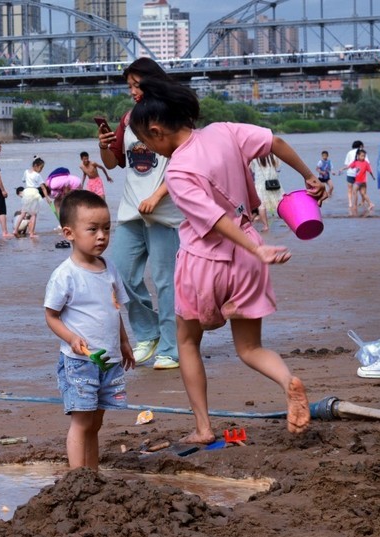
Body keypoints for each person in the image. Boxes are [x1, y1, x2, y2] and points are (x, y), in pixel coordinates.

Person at [127, 75, 321, 443]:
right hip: (250, 252)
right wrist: (309, 177)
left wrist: (256, 250)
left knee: (187, 342)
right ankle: (287, 380)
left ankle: (203, 428)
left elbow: (212, 219)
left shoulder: (179, 170)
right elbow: (274, 142)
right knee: (250, 348)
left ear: (157, 131)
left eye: (145, 142)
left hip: (206, 260)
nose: (148, 149)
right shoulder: (224, 132)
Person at [96, 56, 184, 371]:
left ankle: (172, 349)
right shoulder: (128, 118)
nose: (132, 90)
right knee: (119, 274)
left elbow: (185, 159)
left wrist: (159, 194)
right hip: (131, 212)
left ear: (152, 81)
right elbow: (113, 162)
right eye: (129, 85)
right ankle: (149, 335)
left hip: (165, 214)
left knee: (165, 282)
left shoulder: (174, 114)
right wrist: (104, 144)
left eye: (137, 84)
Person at [43, 190, 135, 469]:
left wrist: (124, 342)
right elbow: (51, 315)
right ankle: (76, 477)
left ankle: (91, 474)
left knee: (96, 421)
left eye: (107, 228)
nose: (102, 236)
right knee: (82, 421)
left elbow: (113, 309)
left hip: (108, 361)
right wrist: (71, 338)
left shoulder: (109, 268)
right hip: (80, 363)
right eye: (92, 229)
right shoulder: (66, 274)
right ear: (69, 233)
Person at [250, 154, 283, 232]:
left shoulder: (254, 157)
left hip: (260, 183)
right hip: (273, 182)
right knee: (279, 203)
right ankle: (289, 222)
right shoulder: (273, 155)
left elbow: (253, 169)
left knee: (262, 206)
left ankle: (265, 226)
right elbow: (278, 166)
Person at [340, 148, 376, 214]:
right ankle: (370, 204)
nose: (363, 157)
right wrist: (342, 168)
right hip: (359, 180)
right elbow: (349, 166)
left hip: (361, 181)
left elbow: (370, 171)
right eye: (362, 156)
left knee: (354, 192)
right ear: (358, 156)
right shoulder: (355, 162)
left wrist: (373, 176)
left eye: (364, 156)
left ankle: (355, 206)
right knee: (363, 193)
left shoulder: (366, 163)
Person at [20, 157, 47, 236]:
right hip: (34, 193)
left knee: (24, 213)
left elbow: (23, 180)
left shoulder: (26, 172)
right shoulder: (37, 175)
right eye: (41, 168)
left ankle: (16, 229)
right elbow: (43, 187)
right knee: (34, 214)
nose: (41, 170)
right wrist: (47, 198)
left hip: (26, 193)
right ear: (36, 166)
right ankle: (31, 232)